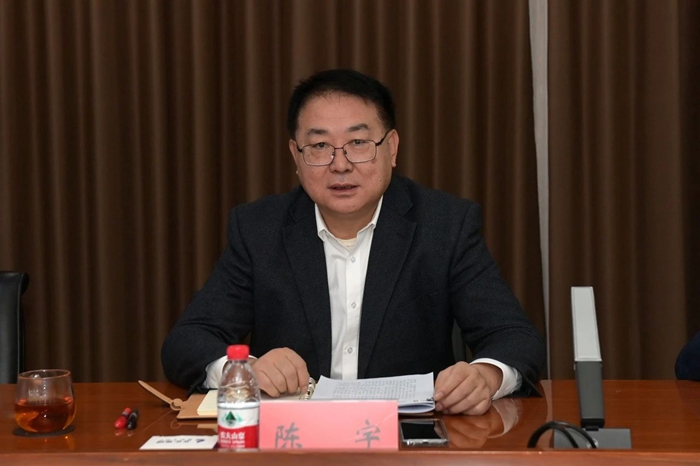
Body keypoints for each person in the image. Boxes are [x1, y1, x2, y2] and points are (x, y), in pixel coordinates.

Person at [162, 69, 546, 415]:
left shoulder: (444, 226)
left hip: (407, 442)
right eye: (319, 146)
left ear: (391, 148)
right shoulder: (259, 230)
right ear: (296, 155)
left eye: (358, 142)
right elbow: (187, 341)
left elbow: (514, 337)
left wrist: (486, 376)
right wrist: (244, 370)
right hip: (295, 444)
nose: (340, 164)